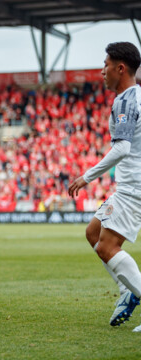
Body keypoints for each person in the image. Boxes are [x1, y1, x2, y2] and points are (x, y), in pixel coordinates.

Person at [68, 42, 141, 330]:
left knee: (107, 247)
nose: (102, 72)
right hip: (129, 185)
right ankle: (127, 291)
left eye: (106, 65)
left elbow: (122, 148)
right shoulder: (137, 96)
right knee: (93, 233)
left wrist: (86, 176)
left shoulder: (125, 100)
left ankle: (134, 292)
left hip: (132, 187)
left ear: (120, 68)